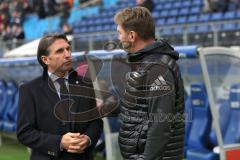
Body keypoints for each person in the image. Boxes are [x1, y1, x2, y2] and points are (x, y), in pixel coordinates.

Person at [17, 33, 103, 160]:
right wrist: (59, 142)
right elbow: (24, 133)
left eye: (68, 49)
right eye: (60, 51)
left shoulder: (86, 83)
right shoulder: (29, 90)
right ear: (45, 59)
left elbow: (95, 122)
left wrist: (88, 139)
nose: (67, 54)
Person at [114, 7, 185, 159]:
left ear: (132, 35)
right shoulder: (147, 62)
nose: (119, 38)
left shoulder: (157, 68)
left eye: (120, 33)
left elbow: (160, 123)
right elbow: (140, 107)